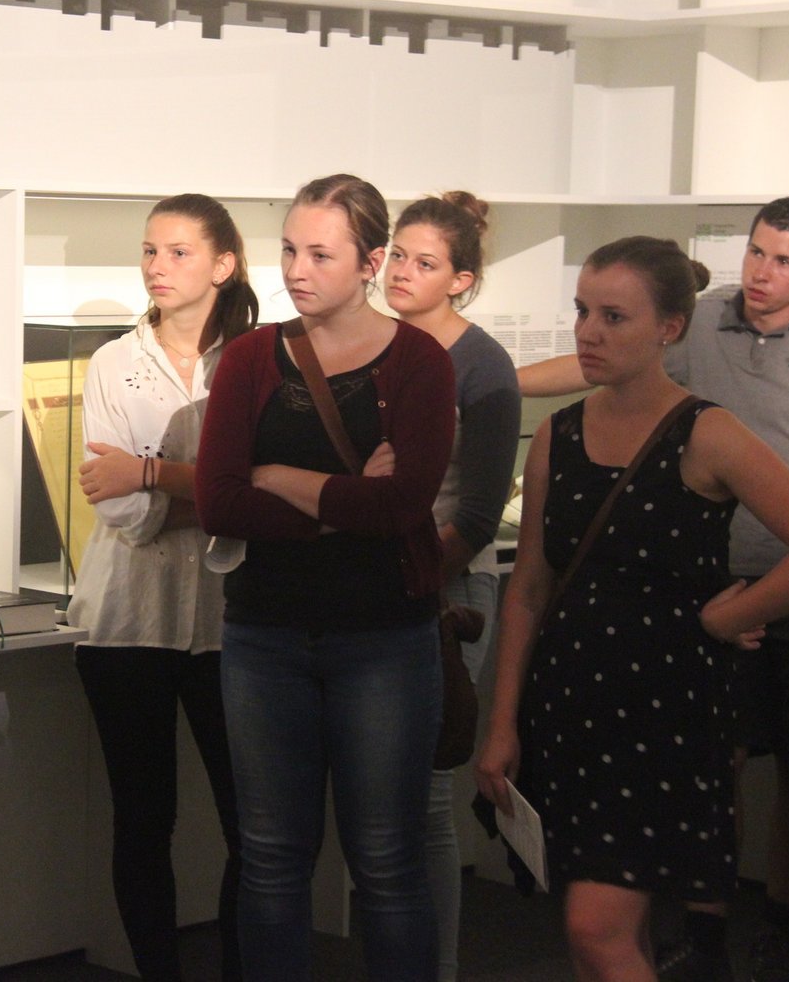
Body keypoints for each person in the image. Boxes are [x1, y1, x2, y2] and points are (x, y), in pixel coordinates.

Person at [517, 198, 789, 981]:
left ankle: (780, 921)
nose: (763, 271)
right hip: (708, 588)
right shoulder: (701, 325)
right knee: (714, 762)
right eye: (757, 252)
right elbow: (593, 361)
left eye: (784, 260)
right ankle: (705, 933)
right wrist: (481, 379)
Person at [195, 173, 455, 981]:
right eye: (288, 250)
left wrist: (281, 478)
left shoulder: (418, 362)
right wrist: (345, 504)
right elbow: (217, 500)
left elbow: (403, 503)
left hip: (384, 639)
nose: (296, 270)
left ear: (371, 262)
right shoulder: (250, 357)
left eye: (319, 254)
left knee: (386, 859)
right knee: (271, 856)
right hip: (265, 633)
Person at [69, 193, 258, 981]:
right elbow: (117, 508)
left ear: (223, 264)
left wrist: (153, 476)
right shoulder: (113, 363)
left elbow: (266, 496)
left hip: (230, 626)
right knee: (143, 821)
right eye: (150, 250)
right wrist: (220, 496)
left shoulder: (257, 363)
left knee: (253, 825)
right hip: (126, 623)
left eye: (179, 252)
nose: (157, 266)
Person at [383, 191, 521, 982]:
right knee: (383, 794)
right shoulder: (375, 346)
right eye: (398, 255)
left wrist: (409, 571)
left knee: (428, 792)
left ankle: (437, 967)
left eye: (425, 263)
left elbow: (475, 513)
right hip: (377, 585)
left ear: (461, 280)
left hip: (447, 592)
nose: (402, 272)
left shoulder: (481, 365)